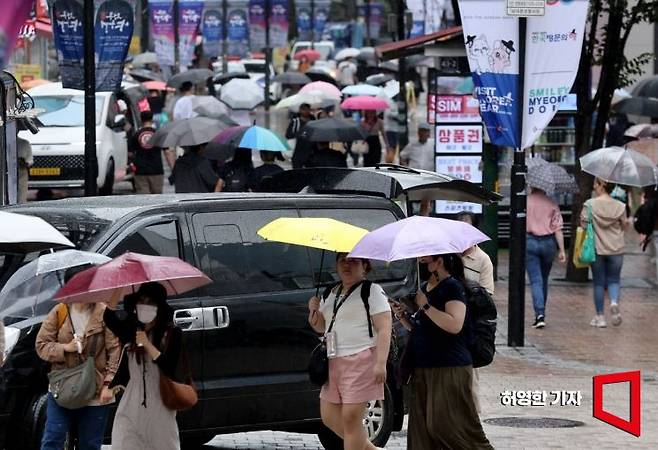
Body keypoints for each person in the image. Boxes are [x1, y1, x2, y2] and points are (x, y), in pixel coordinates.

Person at [391, 254, 492, 450]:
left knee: (448, 427)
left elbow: (455, 324)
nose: (421, 262)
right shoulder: (423, 288)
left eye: (425, 260)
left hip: (449, 366)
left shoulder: (453, 287)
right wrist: (403, 315)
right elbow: (421, 327)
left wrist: (426, 305)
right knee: (422, 431)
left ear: (439, 261)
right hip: (423, 367)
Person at [307, 254, 391, 450]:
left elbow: (384, 328)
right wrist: (313, 311)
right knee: (328, 416)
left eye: (353, 261)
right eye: (342, 260)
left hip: (361, 359)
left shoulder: (371, 291)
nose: (347, 265)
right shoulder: (331, 292)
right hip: (333, 360)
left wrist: (381, 363)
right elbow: (321, 327)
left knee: (351, 418)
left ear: (365, 266)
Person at [103, 282, 184, 450]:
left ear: (159, 308)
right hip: (132, 399)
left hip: (160, 400)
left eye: (150, 303)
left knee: (162, 445)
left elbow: (169, 367)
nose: (144, 307)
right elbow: (109, 318)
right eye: (141, 301)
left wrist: (147, 345)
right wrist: (119, 287)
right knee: (123, 441)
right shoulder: (132, 330)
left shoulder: (172, 334)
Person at [35, 299, 120, 450]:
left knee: (90, 444)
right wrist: (65, 348)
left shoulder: (103, 312)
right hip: (62, 388)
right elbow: (41, 345)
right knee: (53, 438)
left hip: (96, 389)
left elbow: (115, 350)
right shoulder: (60, 311)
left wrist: (109, 382)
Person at [581, 178, 628, 328]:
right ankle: (614, 302)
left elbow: (583, 223)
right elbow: (624, 225)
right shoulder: (620, 206)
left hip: (598, 248)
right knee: (614, 280)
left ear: (601, 185)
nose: (594, 186)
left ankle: (600, 317)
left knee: (599, 283)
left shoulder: (590, 204)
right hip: (616, 248)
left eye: (595, 183)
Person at [525, 187, 565, 329]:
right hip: (549, 243)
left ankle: (539, 314)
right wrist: (562, 250)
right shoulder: (552, 203)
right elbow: (558, 229)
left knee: (536, 280)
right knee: (544, 279)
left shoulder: (525, 201)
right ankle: (542, 311)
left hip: (529, 241)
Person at [131, 111, 174, 194]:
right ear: (152, 120)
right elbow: (167, 152)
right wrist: (172, 169)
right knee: (157, 199)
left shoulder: (136, 134)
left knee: (143, 200)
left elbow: (131, 153)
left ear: (141, 120)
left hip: (140, 171)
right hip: (156, 170)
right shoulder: (158, 134)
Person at [456, 211, 495, 296]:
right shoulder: (448, 255)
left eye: (467, 229)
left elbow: (487, 293)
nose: (463, 233)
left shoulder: (483, 259)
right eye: (459, 229)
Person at [286, 103, 315, 168]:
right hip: (297, 153)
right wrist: (299, 134)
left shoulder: (314, 121)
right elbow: (288, 135)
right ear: (300, 110)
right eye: (303, 109)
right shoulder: (295, 122)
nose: (306, 111)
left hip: (311, 154)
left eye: (307, 109)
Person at [383, 99, 402, 163]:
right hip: (391, 129)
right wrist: (399, 115)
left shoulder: (396, 102)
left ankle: (389, 162)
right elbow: (389, 114)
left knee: (392, 148)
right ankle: (389, 164)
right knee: (391, 148)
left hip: (394, 129)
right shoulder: (390, 102)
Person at [17, 136, 32, 203]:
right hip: (5, 172)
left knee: (21, 195)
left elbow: (30, 160)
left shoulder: (24, 143)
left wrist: (23, 163)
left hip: (21, 171)